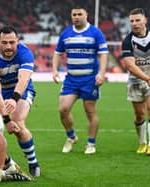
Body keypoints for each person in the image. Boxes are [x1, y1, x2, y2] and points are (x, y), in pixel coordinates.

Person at [0, 26, 40, 177]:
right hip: (1, 92)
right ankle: (8, 164)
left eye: (12, 42)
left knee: (18, 123)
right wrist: (6, 118)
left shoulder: (25, 53)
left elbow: (24, 79)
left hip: (22, 90)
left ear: (17, 42)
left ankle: (33, 163)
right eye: (4, 42)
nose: (8, 46)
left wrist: (14, 98)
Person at [52, 6, 108, 154]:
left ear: (86, 15)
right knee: (63, 109)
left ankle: (91, 143)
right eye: (74, 14)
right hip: (71, 80)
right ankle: (71, 137)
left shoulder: (95, 33)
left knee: (90, 112)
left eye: (79, 14)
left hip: (90, 79)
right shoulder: (66, 34)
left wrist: (101, 73)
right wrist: (55, 70)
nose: (76, 17)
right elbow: (58, 53)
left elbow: (103, 54)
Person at [121, 8, 150, 154]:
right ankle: (142, 143)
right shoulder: (127, 41)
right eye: (132, 21)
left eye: (138, 20)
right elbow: (130, 66)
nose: (134, 23)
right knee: (139, 115)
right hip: (136, 80)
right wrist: (146, 78)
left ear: (145, 20)